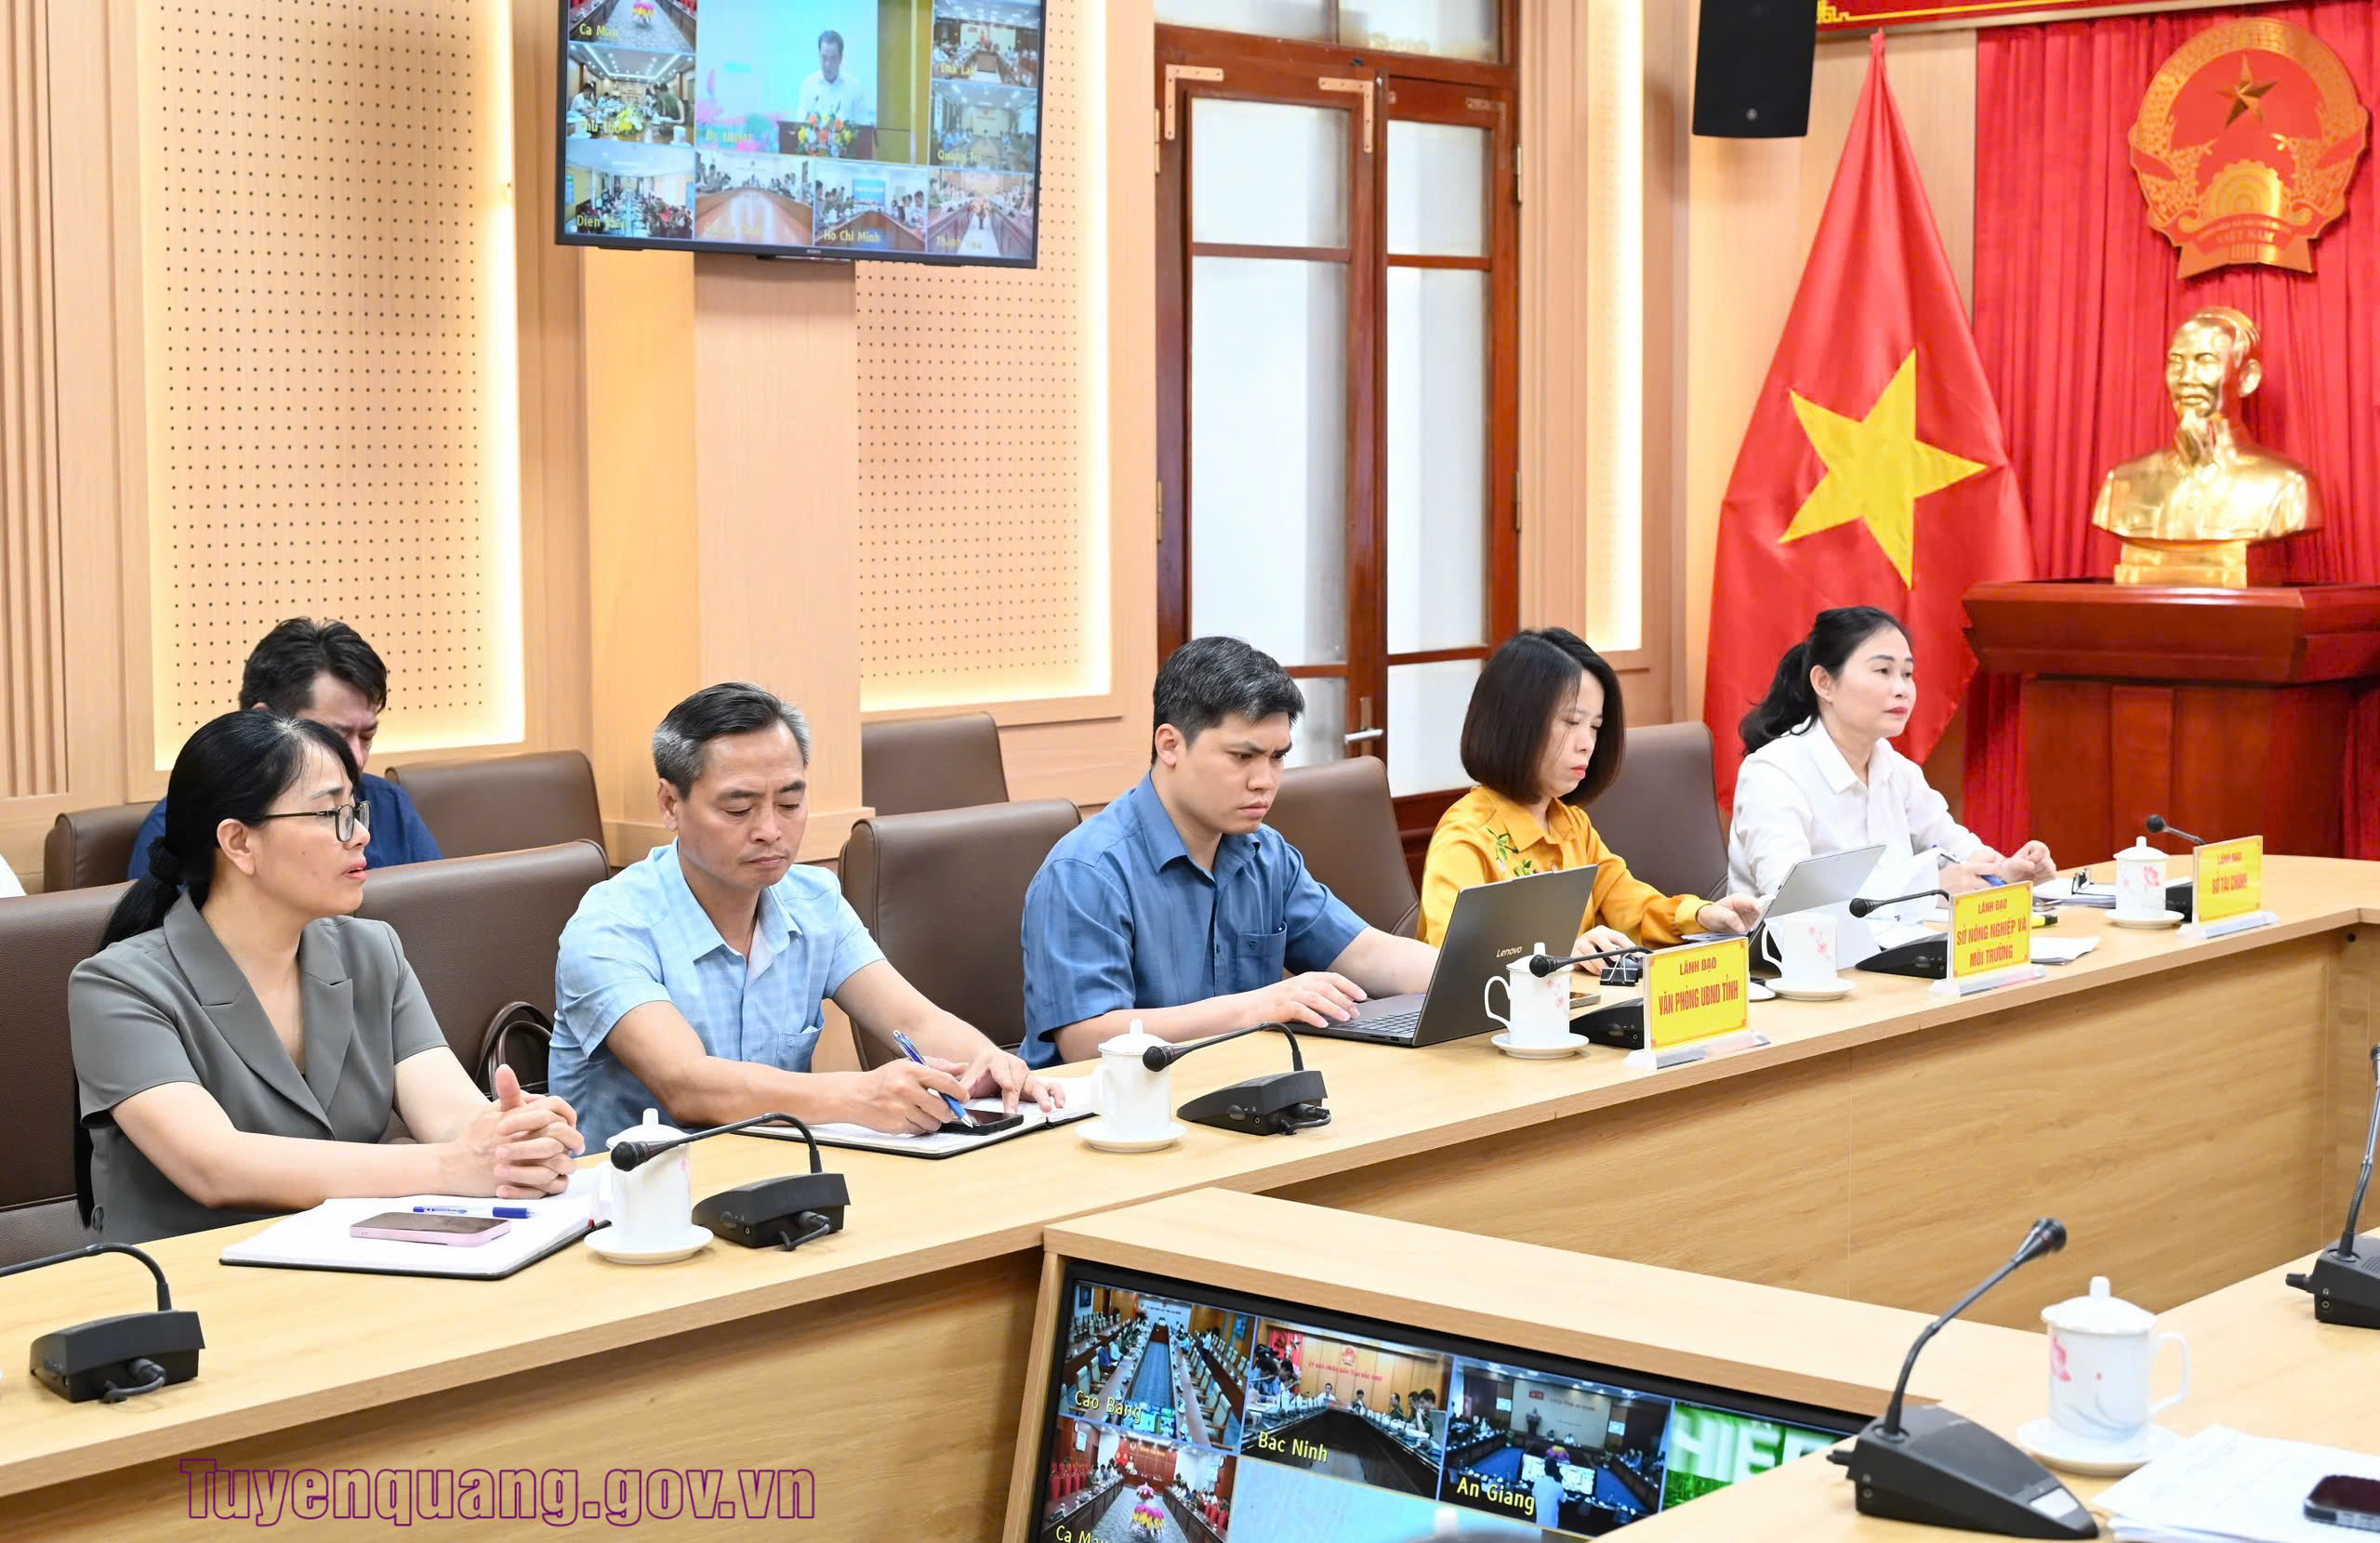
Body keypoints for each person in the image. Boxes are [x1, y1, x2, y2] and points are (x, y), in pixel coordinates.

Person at [70, 712, 582, 1244]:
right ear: (239, 842)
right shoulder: (116, 986)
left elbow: (452, 1118)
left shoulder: (371, 951)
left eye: (355, 809)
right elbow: (216, 1167)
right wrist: (452, 1166)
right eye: (330, 813)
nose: (360, 834)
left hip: (351, 1262)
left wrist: (515, 1141)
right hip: (184, 1279)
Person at [550, 682, 1058, 1146]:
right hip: (638, 1196)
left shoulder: (814, 900)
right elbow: (688, 1084)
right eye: (738, 809)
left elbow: (913, 1019)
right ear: (669, 804)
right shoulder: (610, 927)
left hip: (781, 1181)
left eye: (790, 804)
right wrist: (860, 1095)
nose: (770, 830)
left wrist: (989, 1062)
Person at [1019, 637, 1438, 1069]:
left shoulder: (1265, 853)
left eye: (1277, 757)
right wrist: (1257, 1008)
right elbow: (1086, 1041)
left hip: (1239, 1086)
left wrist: (1469, 971)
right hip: (1112, 1101)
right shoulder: (1086, 871)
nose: (1265, 781)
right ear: (1170, 745)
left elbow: (1364, 953)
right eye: (1242, 757)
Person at [1421, 629, 1761, 962]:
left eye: (1595, 727)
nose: (1587, 744)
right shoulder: (1466, 836)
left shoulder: (1571, 825)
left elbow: (1632, 906)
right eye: (1571, 722)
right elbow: (1454, 960)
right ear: (1515, 723)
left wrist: (1702, 916)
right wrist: (1555, 952)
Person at [1727, 607, 2056, 900]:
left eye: (1907, 674)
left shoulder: (1896, 769)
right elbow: (1791, 899)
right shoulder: (1773, 772)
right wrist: (1928, 888)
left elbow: (1953, 846)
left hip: (1895, 943)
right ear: (1824, 682)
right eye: (1883, 671)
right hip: (1793, 949)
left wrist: (2006, 871)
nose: (1901, 689)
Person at [130, 619, 441, 881]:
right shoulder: (179, 826)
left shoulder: (389, 805)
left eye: (367, 736)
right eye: (334, 737)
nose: (356, 759)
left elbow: (437, 913)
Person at [798, 30, 873, 128]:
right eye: (824, 58)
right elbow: (801, 126)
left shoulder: (854, 87)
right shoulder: (809, 85)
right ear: (819, 55)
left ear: (840, 58)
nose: (828, 64)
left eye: (833, 58)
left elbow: (863, 127)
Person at [1533, 1448, 1568, 1527]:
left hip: (1538, 1522)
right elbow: (1564, 1499)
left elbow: (1534, 1493)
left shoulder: (1537, 1481)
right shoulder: (1558, 1486)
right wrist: (1560, 1482)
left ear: (1544, 1469)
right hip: (1552, 1526)